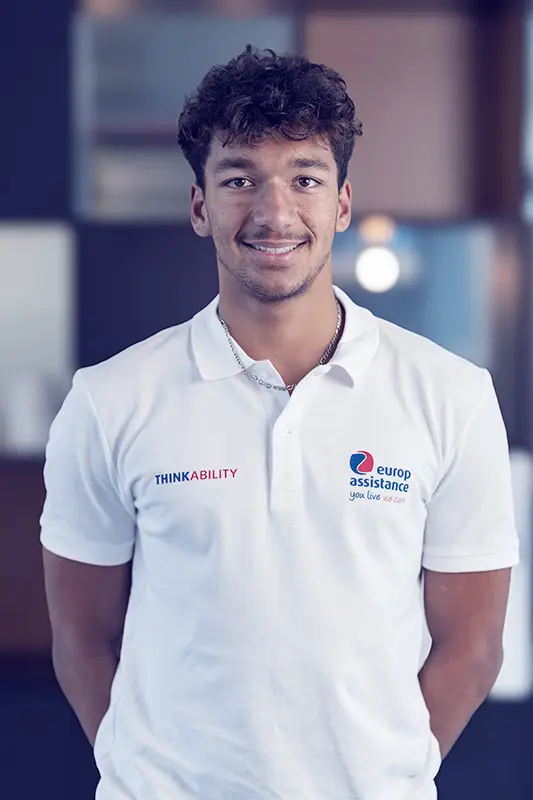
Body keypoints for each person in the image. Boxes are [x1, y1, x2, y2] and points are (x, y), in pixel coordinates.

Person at [40, 46, 519, 800]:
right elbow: (81, 639)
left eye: (304, 178)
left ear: (341, 203)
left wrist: (383, 778)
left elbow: (472, 646)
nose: (273, 212)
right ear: (200, 207)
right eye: (238, 179)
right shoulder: (109, 399)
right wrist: (142, 777)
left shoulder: (450, 396)